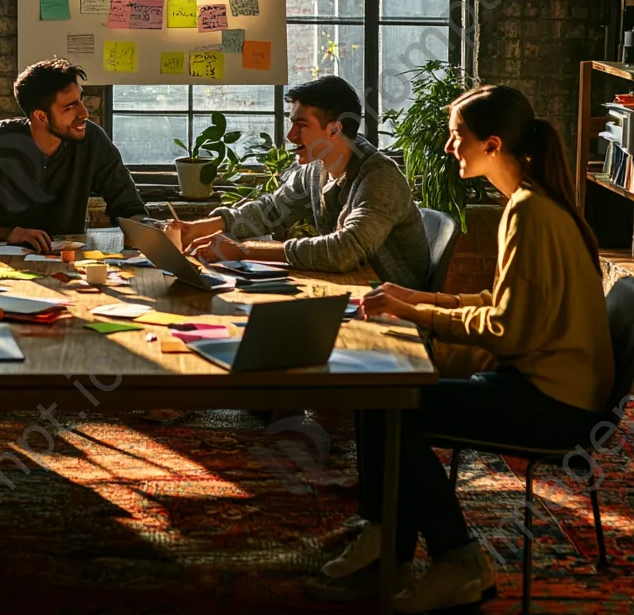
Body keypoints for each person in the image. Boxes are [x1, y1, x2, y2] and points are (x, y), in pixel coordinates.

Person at [307, 85, 614, 610]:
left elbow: (505, 330)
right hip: (547, 386)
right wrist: (418, 296)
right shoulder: (531, 203)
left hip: (554, 405)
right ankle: (389, 545)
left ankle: (458, 561)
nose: (450, 148)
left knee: (390, 407)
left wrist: (416, 314)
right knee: (376, 395)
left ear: (492, 145)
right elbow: (502, 302)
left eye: (457, 137)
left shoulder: (529, 213)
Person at [166, 76, 430, 288]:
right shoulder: (318, 166)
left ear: (335, 129)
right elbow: (271, 209)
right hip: (350, 289)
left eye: (300, 125)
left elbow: (343, 251)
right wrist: (194, 229)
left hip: (396, 306)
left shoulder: (380, 179)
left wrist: (243, 252)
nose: (291, 135)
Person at [0, 59, 147, 250]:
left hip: (69, 263)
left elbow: (129, 209)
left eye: (80, 100)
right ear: (41, 117)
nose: (84, 112)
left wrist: (158, 231)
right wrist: (9, 234)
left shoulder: (92, 140)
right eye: (70, 106)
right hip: (4, 268)